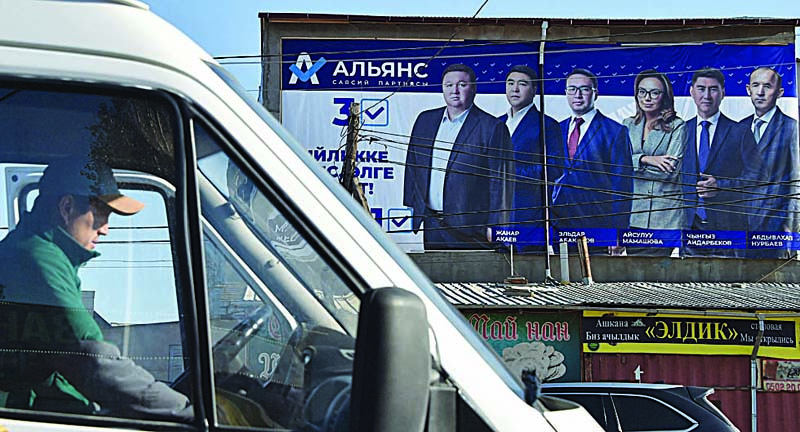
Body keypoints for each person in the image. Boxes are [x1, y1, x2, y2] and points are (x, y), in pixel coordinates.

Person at [0, 155, 192, 420]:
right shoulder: (35, 260)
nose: (106, 230)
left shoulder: (38, 253)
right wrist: (187, 412)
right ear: (67, 207)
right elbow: (92, 360)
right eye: (101, 213)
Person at [403, 64, 513, 249]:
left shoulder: (492, 127)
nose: (454, 91)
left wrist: (496, 225)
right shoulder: (425, 121)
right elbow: (413, 166)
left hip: (471, 228)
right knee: (435, 277)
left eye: (462, 85)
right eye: (448, 85)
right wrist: (413, 207)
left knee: (472, 277)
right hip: (432, 223)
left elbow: (500, 182)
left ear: (474, 88)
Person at [681, 68, 764, 257]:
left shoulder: (740, 132)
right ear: (692, 91)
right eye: (701, 89)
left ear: (723, 93)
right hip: (690, 229)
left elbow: (758, 178)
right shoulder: (681, 131)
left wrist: (721, 186)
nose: (707, 95)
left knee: (727, 285)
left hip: (728, 229)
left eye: (713, 89)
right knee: (689, 285)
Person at [549, 68, 633, 253]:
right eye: (572, 89)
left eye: (584, 89)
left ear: (596, 93)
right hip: (560, 225)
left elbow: (622, 186)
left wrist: (618, 232)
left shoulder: (615, 131)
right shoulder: (556, 128)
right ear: (565, 93)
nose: (577, 95)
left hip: (597, 226)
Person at [497, 65, 563, 249]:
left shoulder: (547, 125)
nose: (515, 89)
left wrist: (512, 175)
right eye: (510, 83)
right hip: (497, 217)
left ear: (534, 90)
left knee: (529, 271)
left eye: (522, 84)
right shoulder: (495, 123)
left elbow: (555, 167)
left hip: (530, 216)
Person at [623, 70, 687, 255]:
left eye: (654, 93)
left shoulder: (678, 126)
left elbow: (668, 172)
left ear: (664, 96)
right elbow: (618, 167)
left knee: (657, 274)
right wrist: (646, 159)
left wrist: (632, 163)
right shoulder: (627, 125)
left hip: (664, 218)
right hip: (633, 216)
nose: (647, 98)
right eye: (642, 92)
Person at [740, 66, 800, 249]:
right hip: (739, 223)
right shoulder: (739, 128)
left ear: (779, 92)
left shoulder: (791, 128)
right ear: (748, 89)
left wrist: (792, 224)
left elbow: (796, 180)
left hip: (775, 225)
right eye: (756, 85)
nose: (760, 92)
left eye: (767, 86)